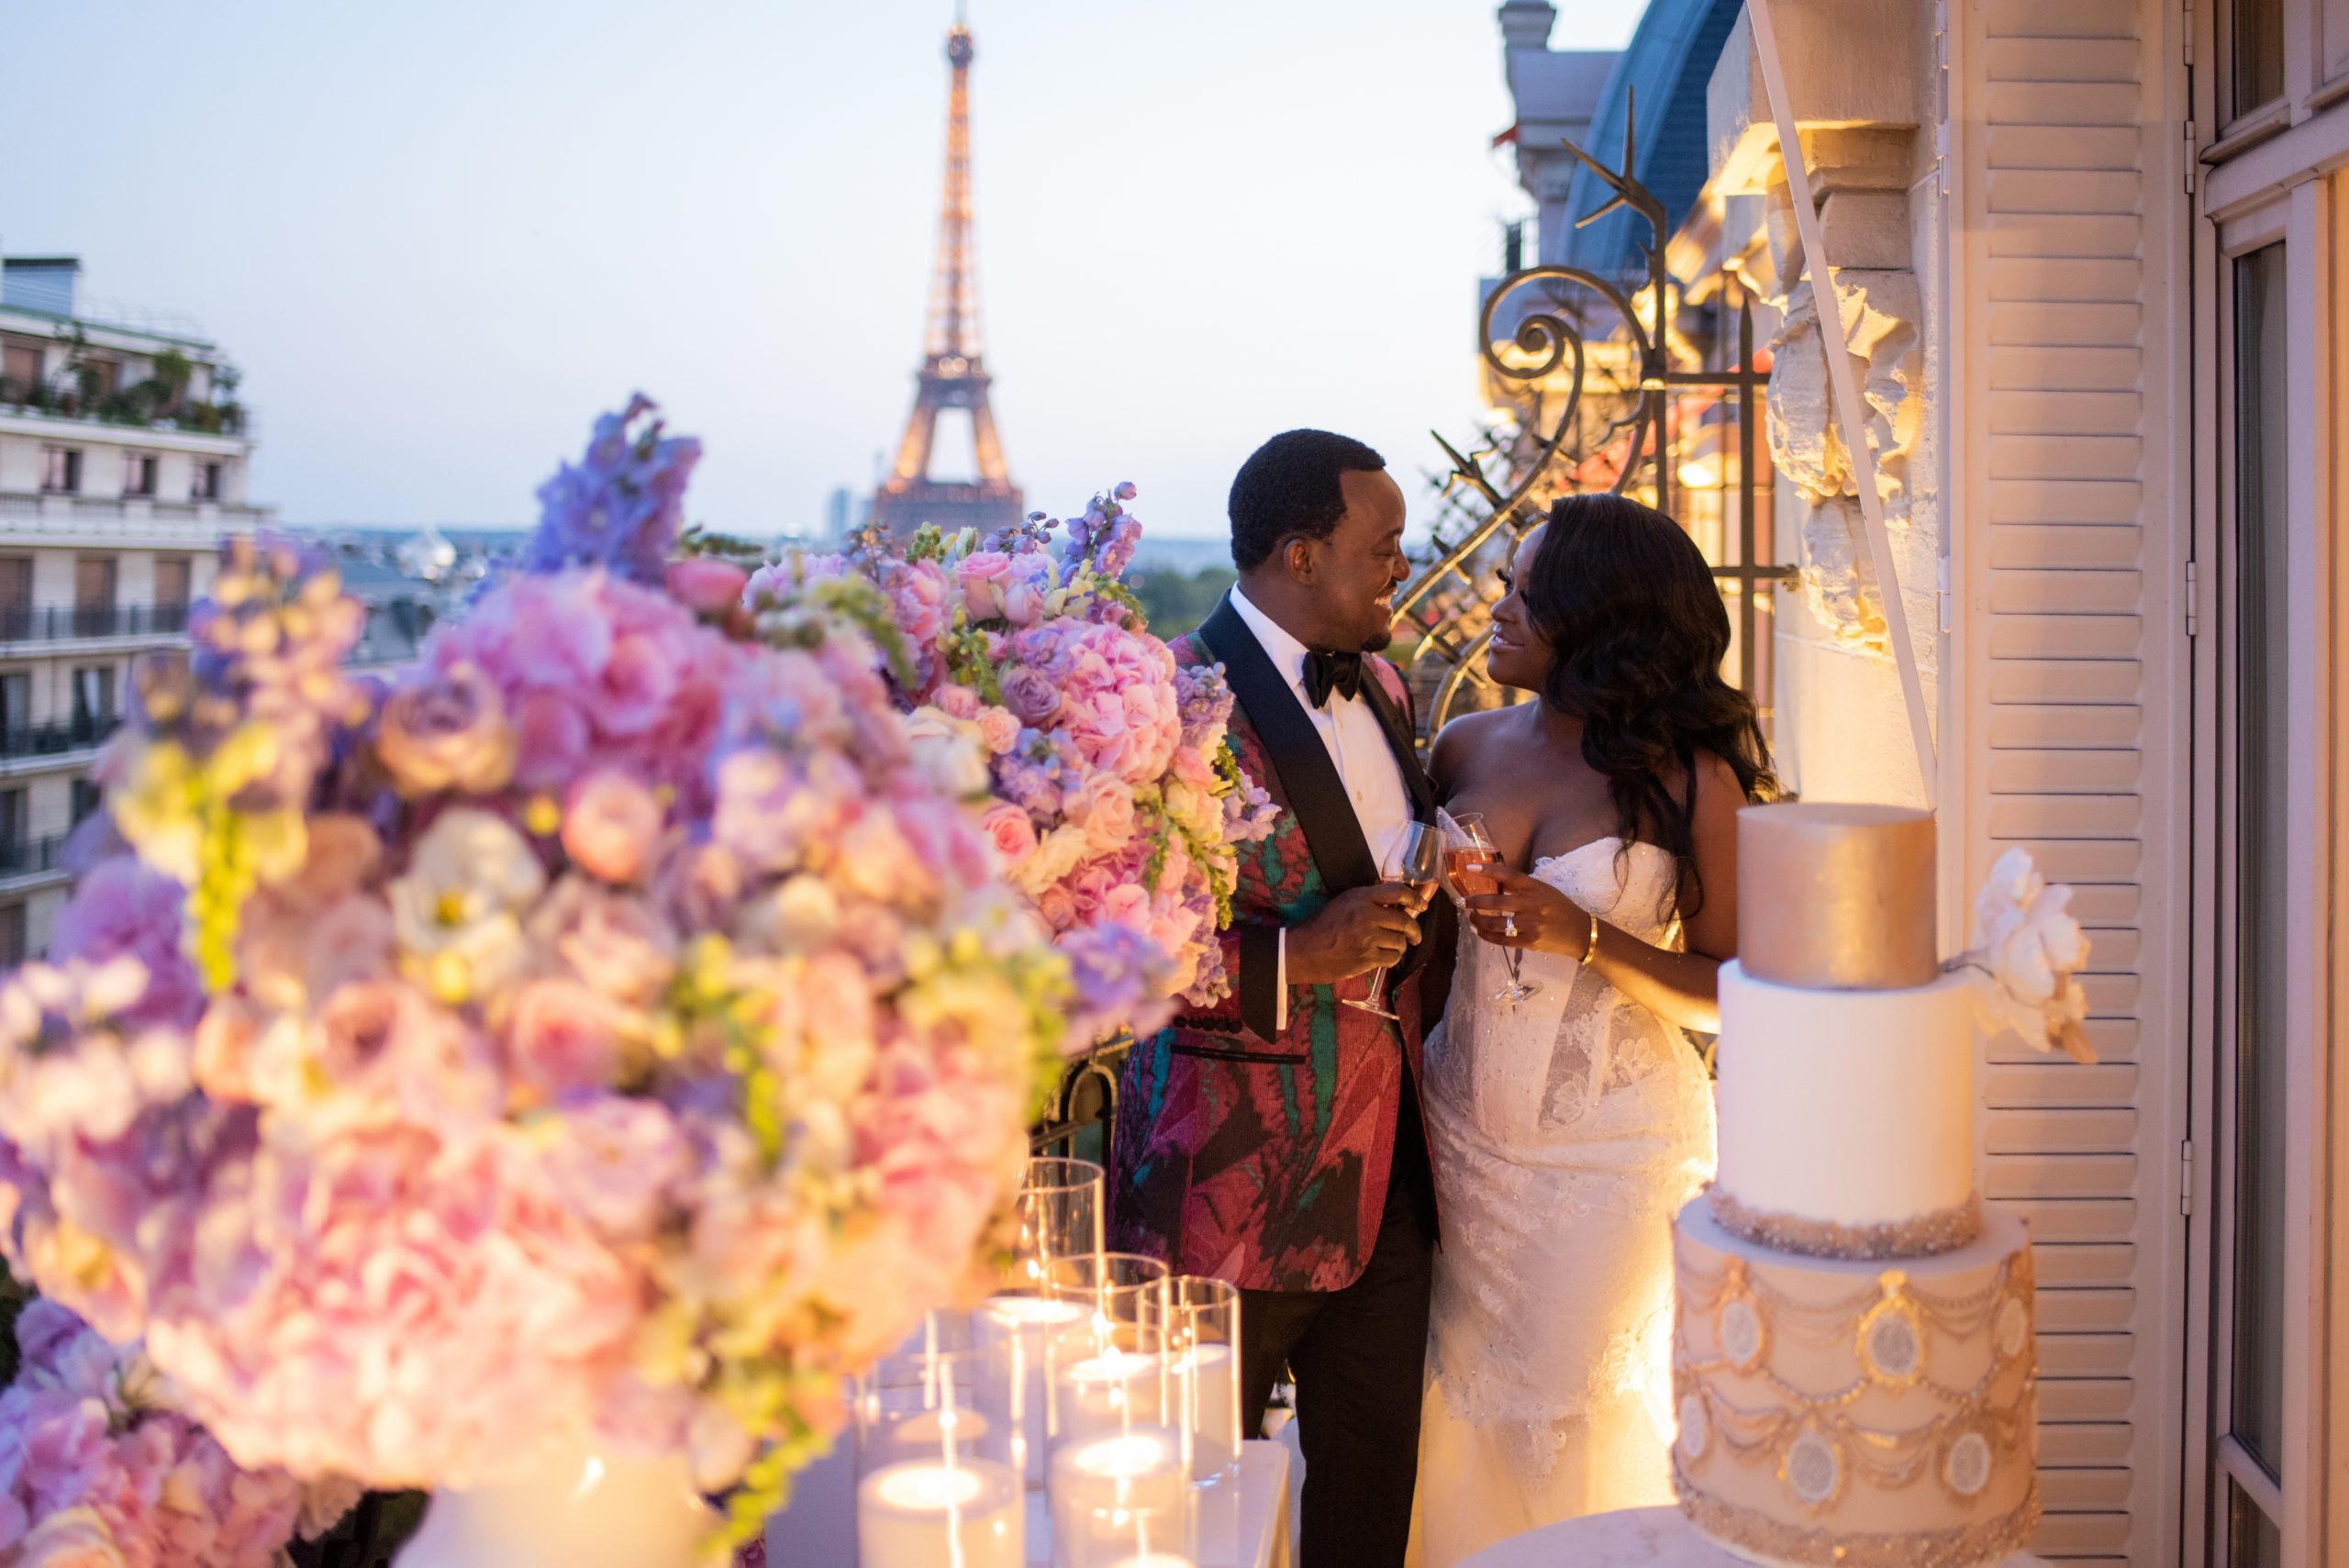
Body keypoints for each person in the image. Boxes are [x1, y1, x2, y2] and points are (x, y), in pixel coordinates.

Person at [1408, 493, 1776, 1566]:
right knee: (1451, 1405)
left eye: (1527, 588)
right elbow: (1426, 959)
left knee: (1568, 1414)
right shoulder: (1461, 744)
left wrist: (1586, 934)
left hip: (1608, 1161)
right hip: (1456, 1133)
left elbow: (1730, 989)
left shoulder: (1690, 779)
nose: (1499, 601)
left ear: (1597, 615)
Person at [1111, 429, 1450, 1568]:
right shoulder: (1164, 702)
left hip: (1389, 1182)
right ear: (1300, 554)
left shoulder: (1391, 685)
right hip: (1224, 1191)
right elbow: (1114, 953)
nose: (1399, 567)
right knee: (1190, 1515)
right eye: (1382, 547)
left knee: (1368, 1509)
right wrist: (1293, 960)